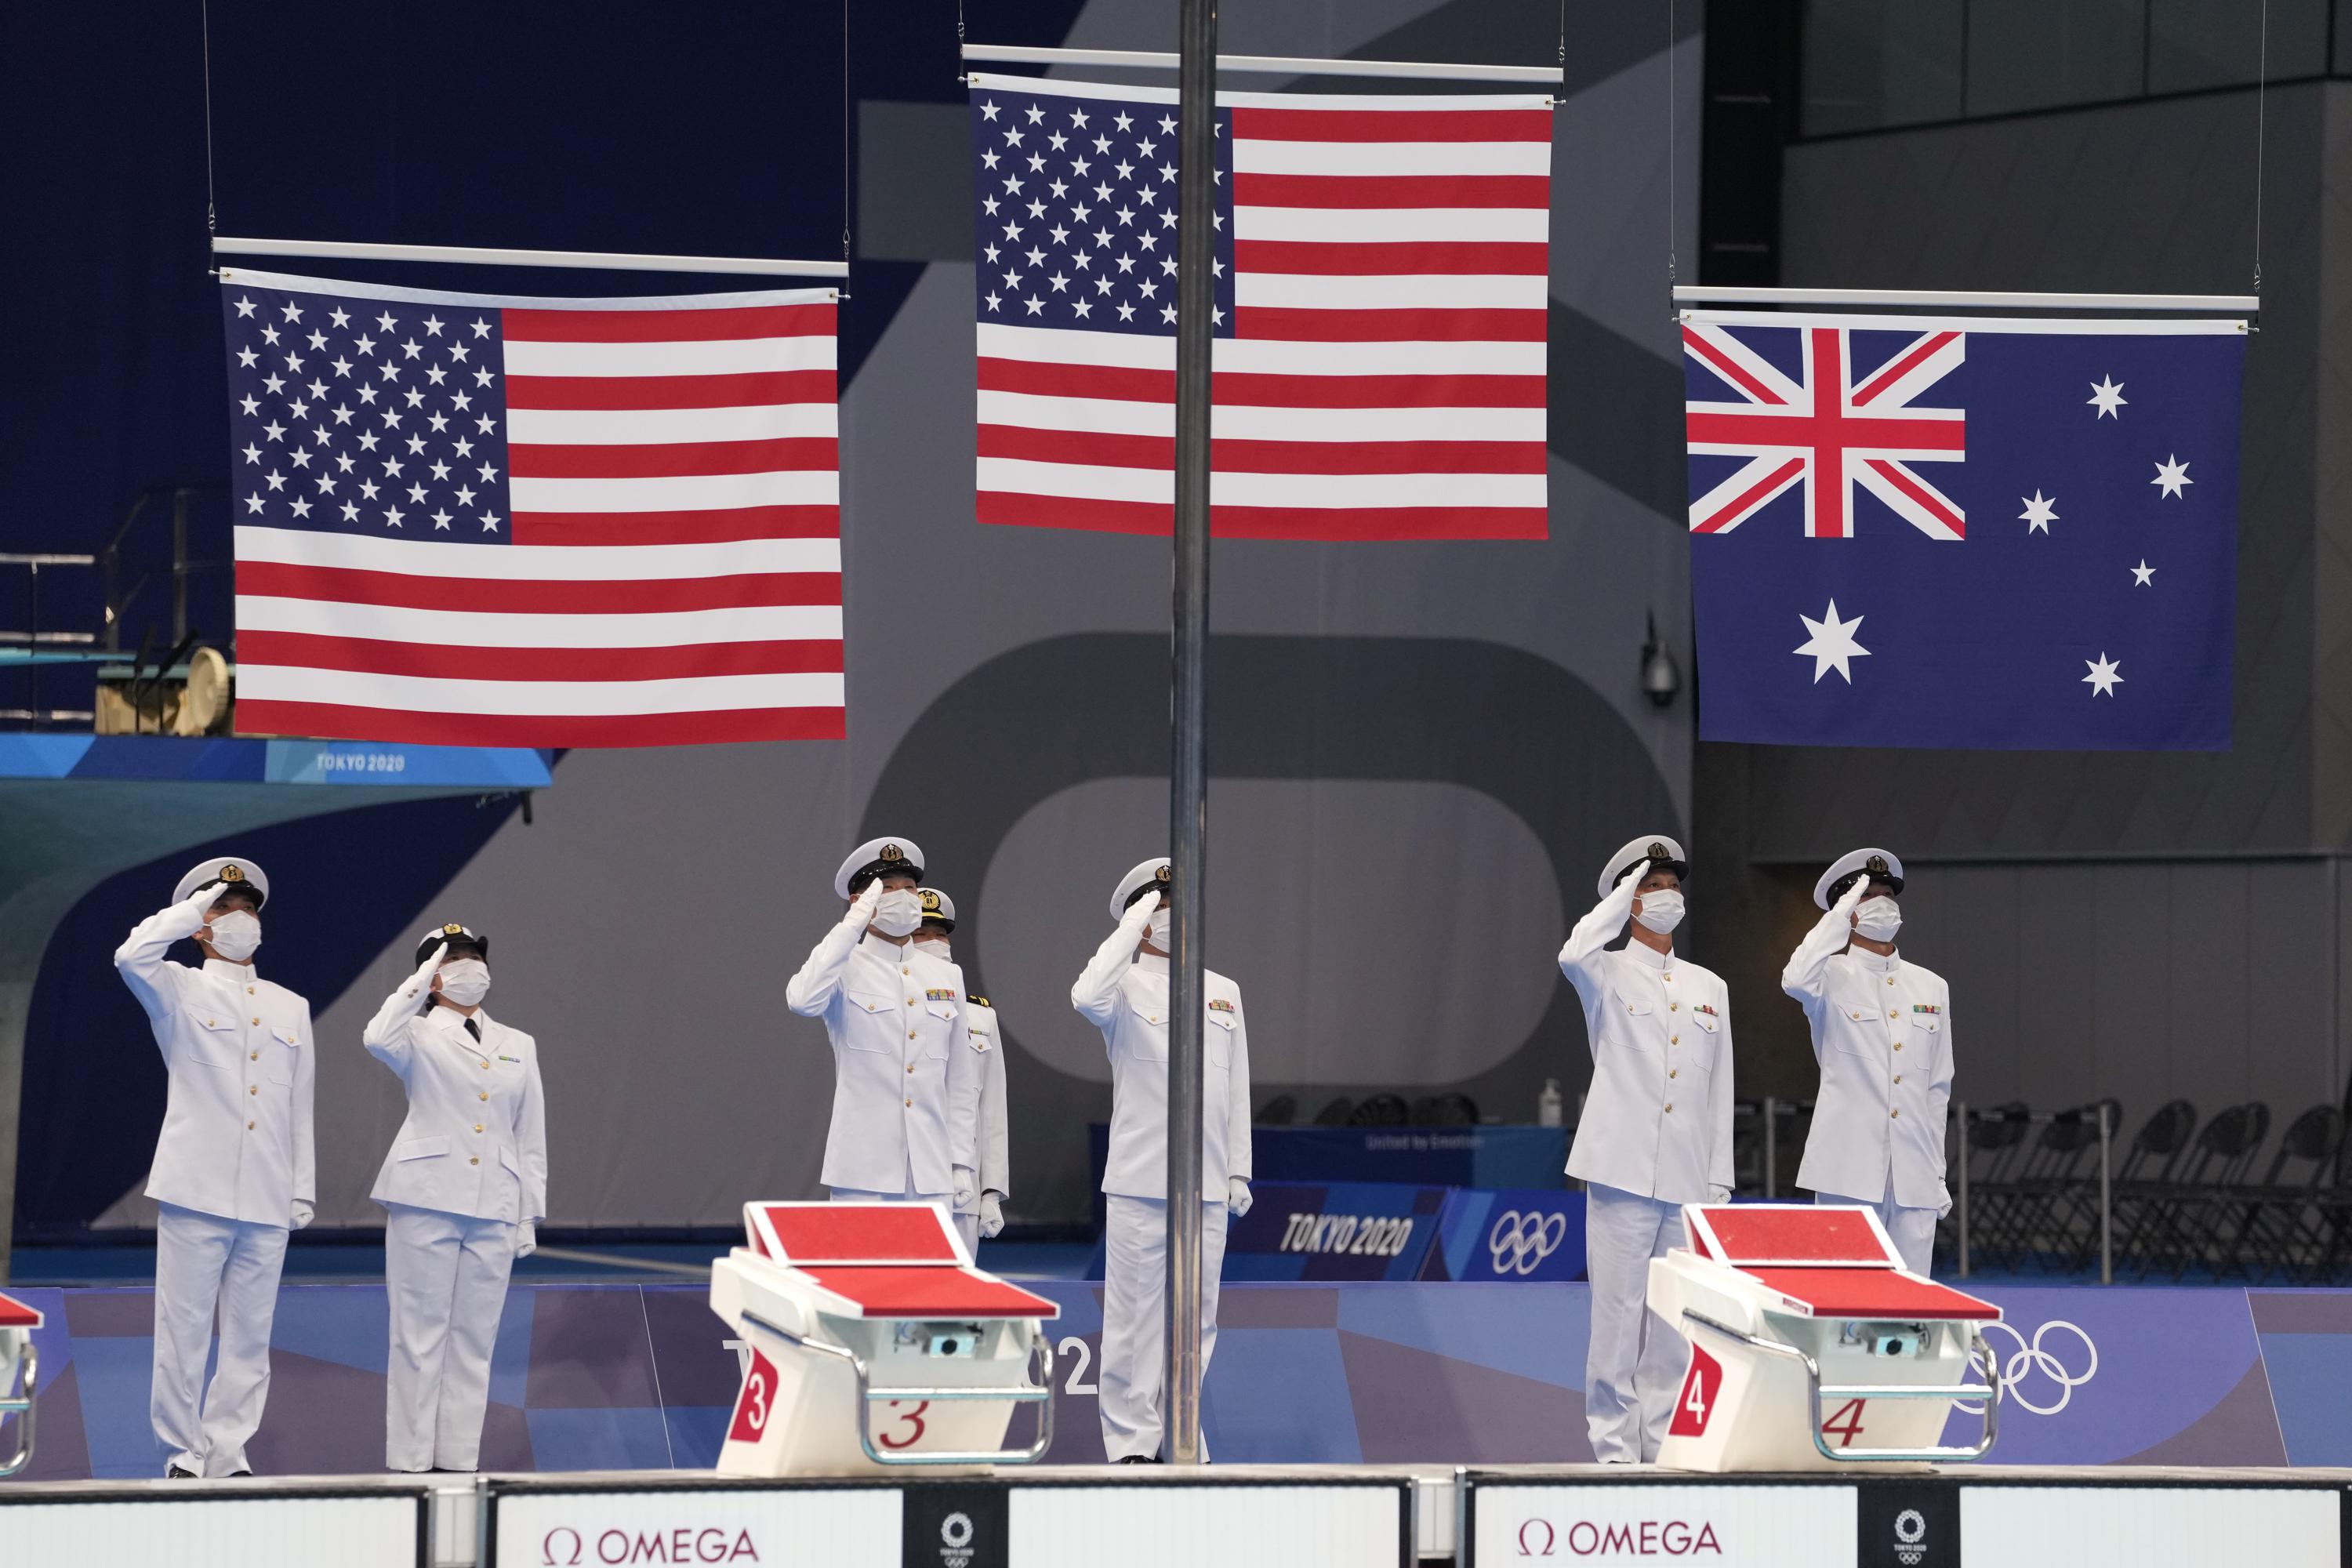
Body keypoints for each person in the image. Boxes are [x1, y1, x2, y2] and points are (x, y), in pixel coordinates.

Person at [114, 856, 315, 1478]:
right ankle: (184, 1452)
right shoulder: (177, 986)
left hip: (267, 1188)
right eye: (227, 911)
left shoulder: (292, 1005)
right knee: (184, 1330)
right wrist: (194, 907)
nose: (241, 920)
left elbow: (298, 1102)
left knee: (251, 1338)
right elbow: (129, 956)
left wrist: (301, 1186)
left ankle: (229, 1452)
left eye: (248, 909)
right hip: (196, 1187)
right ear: (202, 926)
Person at [1557, 835, 1734, 1465]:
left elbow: (1720, 1088)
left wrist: (1720, 1180)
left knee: (1673, 1328)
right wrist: (1621, 894)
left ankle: (1662, 1450)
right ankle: (1612, 1453)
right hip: (1620, 1171)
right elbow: (1573, 949)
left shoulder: (1708, 985)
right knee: (1615, 1321)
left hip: (1687, 1179)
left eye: (1671, 886)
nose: (1668, 896)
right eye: (1653, 887)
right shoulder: (1603, 970)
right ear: (1631, 901)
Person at [1071, 857, 1252, 1463]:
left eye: (1183, 902)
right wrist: (1136, 919)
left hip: (1205, 1181)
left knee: (1197, 1322)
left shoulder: (1222, 991)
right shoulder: (1121, 987)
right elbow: (1083, 994)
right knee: (1132, 1320)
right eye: (1166, 904)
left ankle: (1181, 1435)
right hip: (1142, 1177)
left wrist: (1238, 1170)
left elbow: (1237, 1088)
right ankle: (1130, 1443)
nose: (1180, 915)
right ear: (1145, 916)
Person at [362, 923, 548, 1473]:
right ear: (434, 974)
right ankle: (411, 1461)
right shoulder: (414, 1033)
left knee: (474, 1339)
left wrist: (528, 1213)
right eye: (456, 959)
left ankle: (459, 1461)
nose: (472, 968)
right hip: (426, 1197)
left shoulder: (517, 1043)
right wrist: (416, 984)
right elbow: (376, 1036)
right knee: (419, 1337)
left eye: (475, 958)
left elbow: (529, 1133)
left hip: (495, 1202)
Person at [1785, 849, 1953, 1274]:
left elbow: (1937, 1088)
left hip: (1914, 1171)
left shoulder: (1930, 986)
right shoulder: (1829, 975)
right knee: (1845, 1301)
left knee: (1912, 1307)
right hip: (1848, 1169)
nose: (1880, 902)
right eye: (1867, 894)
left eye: (1886, 894)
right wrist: (1840, 915)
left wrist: (1936, 1172)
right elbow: (1794, 977)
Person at [786, 838, 978, 1207]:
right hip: (863, 1170)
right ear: (862, 902)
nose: (902, 897)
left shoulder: (946, 975)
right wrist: (851, 926)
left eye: (909, 888)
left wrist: (960, 1163)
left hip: (930, 1169)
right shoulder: (844, 967)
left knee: (928, 1267)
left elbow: (959, 1079)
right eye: (886, 889)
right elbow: (802, 999)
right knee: (861, 1267)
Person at [913, 889, 1010, 1254]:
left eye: (941, 935)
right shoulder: (891, 1005)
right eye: (922, 935)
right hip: (904, 1176)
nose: (934, 943)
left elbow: (992, 1109)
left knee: (954, 1297)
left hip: (963, 1184)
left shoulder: (980, 1015)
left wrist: (992, 1191)